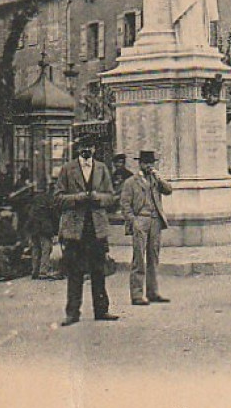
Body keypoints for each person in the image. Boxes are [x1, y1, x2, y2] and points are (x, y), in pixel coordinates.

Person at [54, 134, 119, 324]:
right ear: (77, 148)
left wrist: (98, 197)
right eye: (83, 146)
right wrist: (79, 197)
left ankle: (101, 310)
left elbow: (111, 197)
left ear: (95, 149)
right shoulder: (67, 169)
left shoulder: (102, 169)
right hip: (75, 229)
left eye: (90, 146)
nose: (87, 150)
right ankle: (72, 313)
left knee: (99, 270)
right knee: (75, 272)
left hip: (96, 228)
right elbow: (57, 198)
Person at [120, 150, 173, 306]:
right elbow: (125, 205)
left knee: (153, 256)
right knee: (139, 257)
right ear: (140, 164)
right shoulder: (131, 182)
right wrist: (133, 221)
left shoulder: (156, 180)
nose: (149, 166)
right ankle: (137, 294)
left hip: (155, 220)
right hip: (141, 220)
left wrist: (159, 177)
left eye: (151, 163)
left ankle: (153, 292)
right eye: (146, 163)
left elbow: (169, 190)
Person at [26, 179, 59, 279]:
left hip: (34, 227)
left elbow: (29, 212)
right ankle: (43, 271)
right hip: (44, 227)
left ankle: (34, 270)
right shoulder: (49, 198)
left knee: (36, 249)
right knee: (46, 248)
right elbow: (53, 214)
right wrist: (56, 229)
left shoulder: (35, 198)